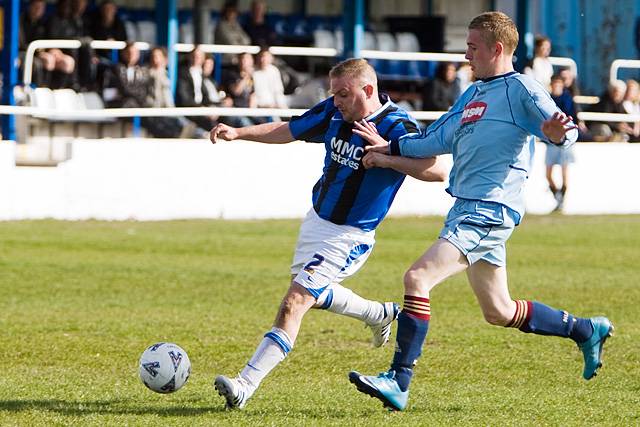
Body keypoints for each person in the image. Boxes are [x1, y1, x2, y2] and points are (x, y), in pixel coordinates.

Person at [348, 11, 613, 412]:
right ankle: (585, 329)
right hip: (467, 208)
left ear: (497, 49)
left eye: (472, 47)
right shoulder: (472, 95)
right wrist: (388, 148)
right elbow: (433, 140)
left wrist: (561, 132)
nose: (466, 54)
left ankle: (399, 380)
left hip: (489, 209)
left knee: (417, 278)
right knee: (499, 310)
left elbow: (563, 127)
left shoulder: (521, 88)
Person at [209, 58, 447, 410]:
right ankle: (376, 313)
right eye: (333, 94)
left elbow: (438, 170)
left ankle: (245, 384)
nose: (336, 101)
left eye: (343, 94)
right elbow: (291, 129)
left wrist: (385, 155)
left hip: (349, 236)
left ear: (367, 90)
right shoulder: (336, 113)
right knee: (313, 294)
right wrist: (239, 133)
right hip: (316, 222)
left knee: (295, 302)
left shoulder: (398, 126)